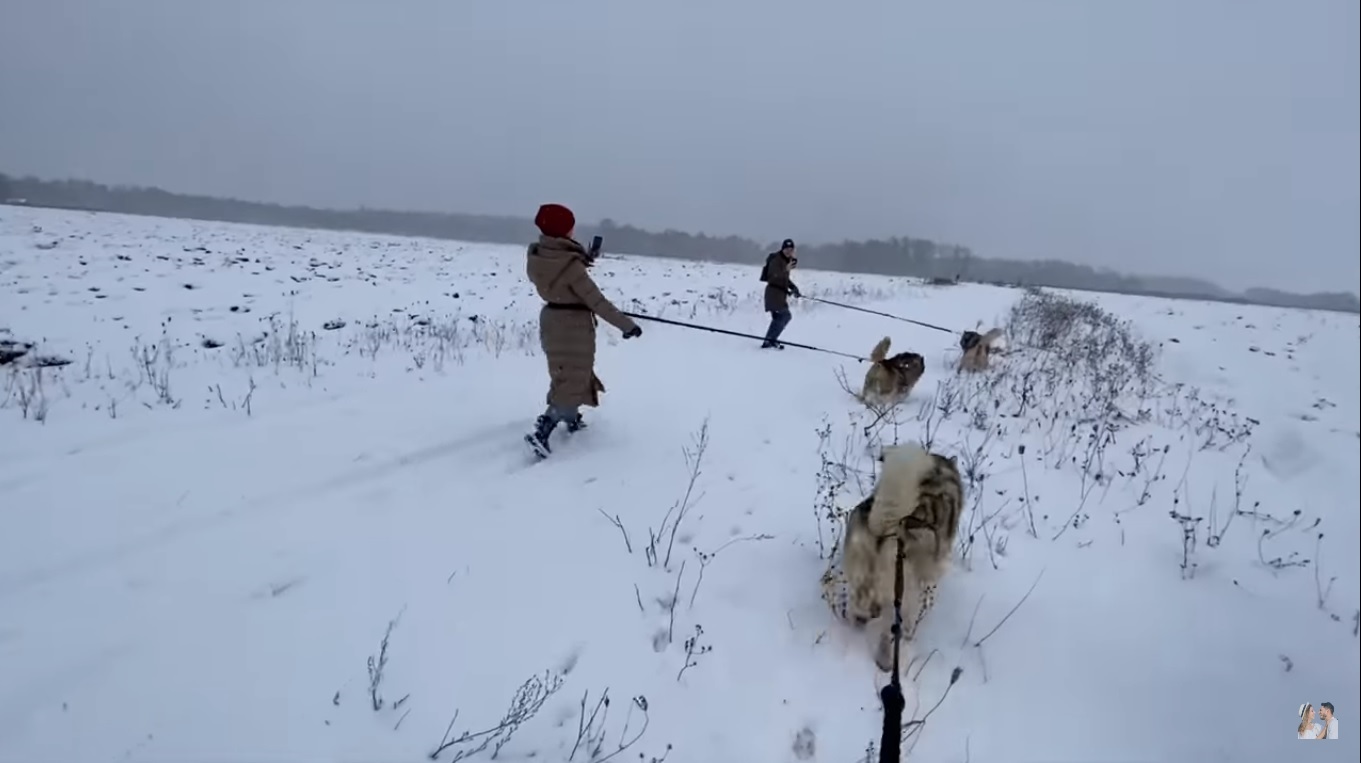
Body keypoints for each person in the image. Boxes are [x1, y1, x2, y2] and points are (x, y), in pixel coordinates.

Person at [523, 203, 641, 457]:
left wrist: (584, 258)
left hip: (552, 320)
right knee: (573, 374)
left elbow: (562, 274)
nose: (573, 230)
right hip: (573, 326)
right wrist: (627, 326)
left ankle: (572, 418)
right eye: (570, 226)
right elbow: (596, 301)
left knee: (567, 372)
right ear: (564, 230)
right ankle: (543, 430)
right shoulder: (571, 267)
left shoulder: (540, 256)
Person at [759, 238, 801, 349]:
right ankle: (769, 341)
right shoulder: (776, 260)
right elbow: (772, 277)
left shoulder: (786, 261)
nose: (788, 251)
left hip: (779, 295)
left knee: (779, 317)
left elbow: (784, 279)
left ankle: (770, 341)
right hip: (773, 293)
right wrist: (785, 270)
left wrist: (793, 288)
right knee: (785, 315)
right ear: (782, 249)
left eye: (791, 249)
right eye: (786, 249)